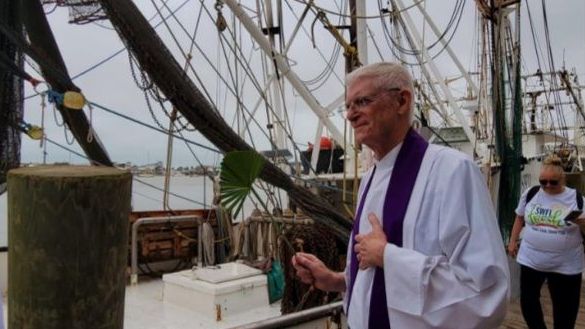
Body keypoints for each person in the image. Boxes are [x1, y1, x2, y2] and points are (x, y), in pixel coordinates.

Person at [292, 62, 509, 328]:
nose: (350, 115)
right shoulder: (371, 177)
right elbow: (376, 280)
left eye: (362, 101)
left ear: (402, 101)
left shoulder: (452, 172)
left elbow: (485, 292)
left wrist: (388, 257)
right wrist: (336, 280)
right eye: (347, 106)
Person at [508, 155, 584, 329]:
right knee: (528, 302)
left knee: (564, 309)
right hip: (531, 260)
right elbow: (520, 218)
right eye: (543, 181)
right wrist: (512, 241)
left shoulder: (577, 199)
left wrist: (581, 223)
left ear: (562, 179)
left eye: (553, 182)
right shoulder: (531, 193)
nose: (547, 186)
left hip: (565, 265)